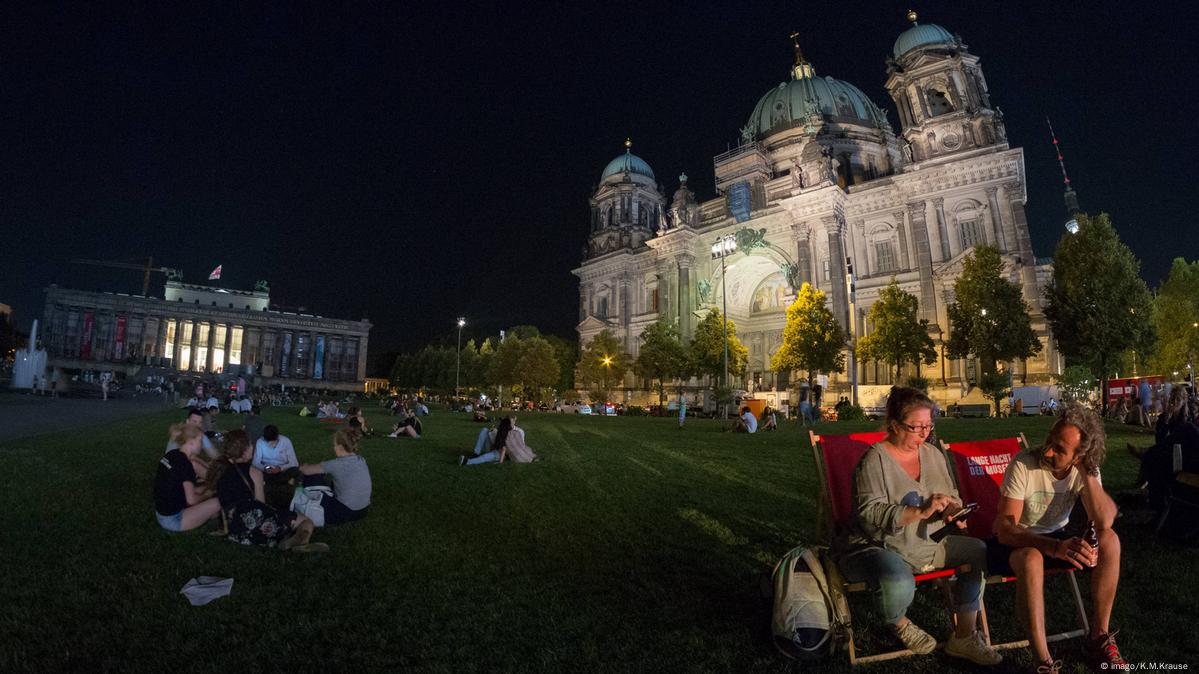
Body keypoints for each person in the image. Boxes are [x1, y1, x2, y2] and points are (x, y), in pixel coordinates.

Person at [840, 386, 999, 665]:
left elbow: (951, 493)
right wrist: (919, 511)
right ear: (894, 425)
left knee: (978, 551)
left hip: (927, 543)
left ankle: (964, 635)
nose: (925, 433)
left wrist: (953, 510)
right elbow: (869, 513)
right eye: (917, 427)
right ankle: (899, 622)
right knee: (899, 582)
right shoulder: (874, 461)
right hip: (880, 545)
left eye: (929, 425)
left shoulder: (933, 454)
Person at [989, 404, 1126, 672]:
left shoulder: (1084, 468)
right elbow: (1004, 529)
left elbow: (1105, 520)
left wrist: (1087, 473)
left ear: (1079, 457)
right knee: (1031, 558)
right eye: (1050, 440)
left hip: (1057, 535)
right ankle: (1044, 662)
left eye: (1059, 449)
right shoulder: (1024, 464)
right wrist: (1054, 548)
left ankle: (1098, 637)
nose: (1048, 451)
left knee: (1110, 540)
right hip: (1018, 541)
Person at [208, 430, 321, 550]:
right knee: (306, 521)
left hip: (235, 529)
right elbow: (260, 504)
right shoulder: (254, 472)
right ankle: (299, 541)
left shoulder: (218, 470)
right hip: (257, 523)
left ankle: (289, 539)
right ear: (244, 450)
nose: (253, 447)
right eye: (250, 444)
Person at [154, 423, 221, 532]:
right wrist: (207, 495)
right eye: (200, 441)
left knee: (204, 488)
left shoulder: (172, 454)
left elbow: (194, 460)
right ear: (191, 441)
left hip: (162, 512)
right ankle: (214, 521)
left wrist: (207, 489)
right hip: (173, 519)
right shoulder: (186, 464)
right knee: (218, 501)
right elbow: (192, 501)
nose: (201, 444)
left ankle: (208, 513)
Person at [298, 427, 371, 524]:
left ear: (340, 447)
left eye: (334, 445)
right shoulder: (361, 459)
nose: (333, 448)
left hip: (346, 511)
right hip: (363, 510)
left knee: (311, 477)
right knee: (323, 477)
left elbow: (306, 471)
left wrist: (303, 466)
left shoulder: (337, 464)